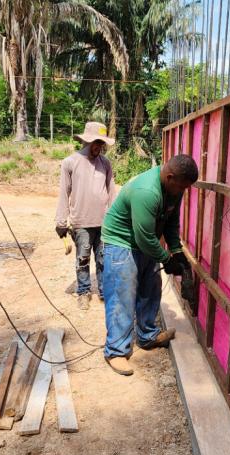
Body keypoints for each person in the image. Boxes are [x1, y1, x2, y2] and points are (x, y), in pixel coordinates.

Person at [100, 154, 199, 375]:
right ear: (170, 176)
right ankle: (116, 351)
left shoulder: (175, 187)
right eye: (182, 186)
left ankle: (147, 335)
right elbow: (144, 237)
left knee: (150, 289)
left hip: (145, 241)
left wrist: (176, 251)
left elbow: (171, 223)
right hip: (122, 242)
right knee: (122, 295)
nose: (184, 191)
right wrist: (166, 260)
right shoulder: (147, 192)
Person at [54, 122, 116, 311]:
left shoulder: (105, 163)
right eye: (96, 143)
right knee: (83, 259)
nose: (99, 147)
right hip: (81, 221)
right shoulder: (70, 162)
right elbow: (64, 193)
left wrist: (114, 218)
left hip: (103, 222)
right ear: (87, 141)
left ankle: (105, 291)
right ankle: (83, 292)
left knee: (103, 259)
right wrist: (61, 221)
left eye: (102, 144)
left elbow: (111, 192)